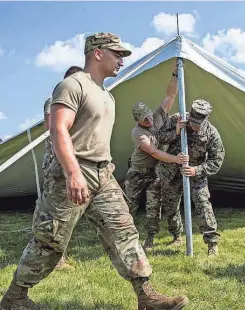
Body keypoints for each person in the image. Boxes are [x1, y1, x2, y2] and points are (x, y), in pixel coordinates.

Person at [0, 32, 188, 310]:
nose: (122, 60)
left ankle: (145, 295)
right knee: (50, 241)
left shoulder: (106, 95)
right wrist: (73, 173)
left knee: (124, 231)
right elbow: (58, 129)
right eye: (117, 54)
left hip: (102, 174)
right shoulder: (71, 85)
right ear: (97, 53)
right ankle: (14, 298)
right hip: (69, 174)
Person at [124, 64, 189, 252]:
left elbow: (170, 96)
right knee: (129, 207)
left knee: (154, 208)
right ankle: (124, 239)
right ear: (137, 120)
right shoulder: (138, 133)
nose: (149, 120)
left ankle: (150, 238)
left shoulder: (157, 117)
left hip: (155, 173)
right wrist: (176, 159)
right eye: (145, 119)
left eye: (149, 116)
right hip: (136, 173)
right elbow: (154, 152)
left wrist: (175, 74)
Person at [156, 99, 225, 256]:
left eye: (197, 124)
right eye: (192, 122)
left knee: (202, 203)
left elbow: (216, 160)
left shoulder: (211, 133)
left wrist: (196, 170)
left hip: (195, 172)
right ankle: (176, 236)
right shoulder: (177, 119)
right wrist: (177, 131)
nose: (194, 126)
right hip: (172, 170)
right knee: (170, 205)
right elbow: (159, 137)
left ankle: (212, 243)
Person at [42, 65, 83, 271]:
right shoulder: (56, 100)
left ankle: (59, 254)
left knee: (67, 210)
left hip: (67, 159)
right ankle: (56, 259)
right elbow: (52, 129)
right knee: (56, 211)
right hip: (56, 161)